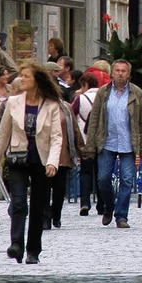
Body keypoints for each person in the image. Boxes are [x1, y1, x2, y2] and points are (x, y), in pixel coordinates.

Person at [0, 62, 63, 265]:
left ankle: (33, 250)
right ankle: (16, 244)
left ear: (37, 80)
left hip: (42, 160)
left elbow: (56, 138)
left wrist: (53, 162)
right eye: (21, 76)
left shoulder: (52, 105)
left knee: (37, 206)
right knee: (18, 203)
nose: (22, 79)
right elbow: (2, 135)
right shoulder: (13, 102)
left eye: (26, 76)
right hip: (17, 158)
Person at [85, 60, 142, 229]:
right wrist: (90, 144)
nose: (120, 74)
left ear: (128, 74)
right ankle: (109, 206)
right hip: (107, 141)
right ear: (112, 73)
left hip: (128, 143)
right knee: (103, 179)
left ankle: (121, 216)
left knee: (127, 180)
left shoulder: (137, 94)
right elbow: (94, 120)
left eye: (123, 71)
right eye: (117, 71)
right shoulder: (103, 93)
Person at [43, 96, 84, 230]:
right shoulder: (39, 106)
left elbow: (75, 129)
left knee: (59, 188)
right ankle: (45, 216)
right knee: (43, 187)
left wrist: (81, 149)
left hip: (63, 155)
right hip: (43, 154)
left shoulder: (65, 107)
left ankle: (56, 214)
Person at [71, 72, 101, 217]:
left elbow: (71, 113)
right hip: (101, 140)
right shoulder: (104, 97)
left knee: (86, 172)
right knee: (101, 172)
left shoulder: (81, 98)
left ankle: (85, 203)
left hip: (85, 139)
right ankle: (102, 204)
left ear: (85, 85)